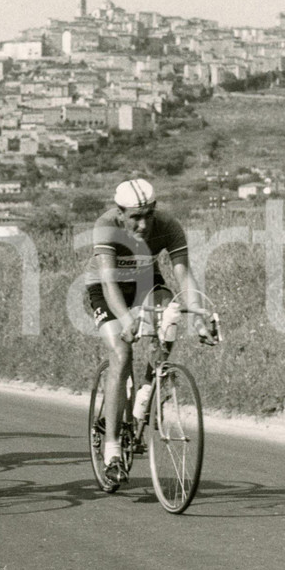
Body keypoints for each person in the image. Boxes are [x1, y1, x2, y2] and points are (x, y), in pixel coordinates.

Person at [85, 178, 215, 484]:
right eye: (134, 218)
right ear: (120, 213)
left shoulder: (168, 225)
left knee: (171, 312)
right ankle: (113, 450)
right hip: (107, 288)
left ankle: (146, 388)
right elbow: (107, 282)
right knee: (121, 350)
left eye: (148, 216)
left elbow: (184, 275)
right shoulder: (105, 226)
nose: (143, 225)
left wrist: (198, 316)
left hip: (146, 281)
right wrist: (125, 320)